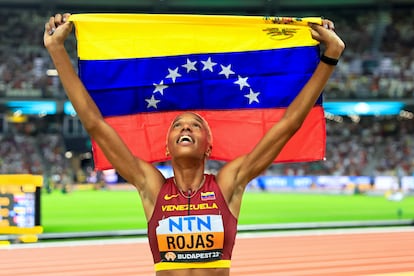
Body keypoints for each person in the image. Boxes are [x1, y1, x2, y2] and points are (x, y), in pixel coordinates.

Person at [44, 13, 345, 276]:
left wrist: (330, 56)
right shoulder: (152, 187)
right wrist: (57, 51)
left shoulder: (229, 183)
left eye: (195, 125)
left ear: (208, 146)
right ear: (167, 147)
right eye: (178, 125)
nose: (186, 127)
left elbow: (288, 124)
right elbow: (95, 124)